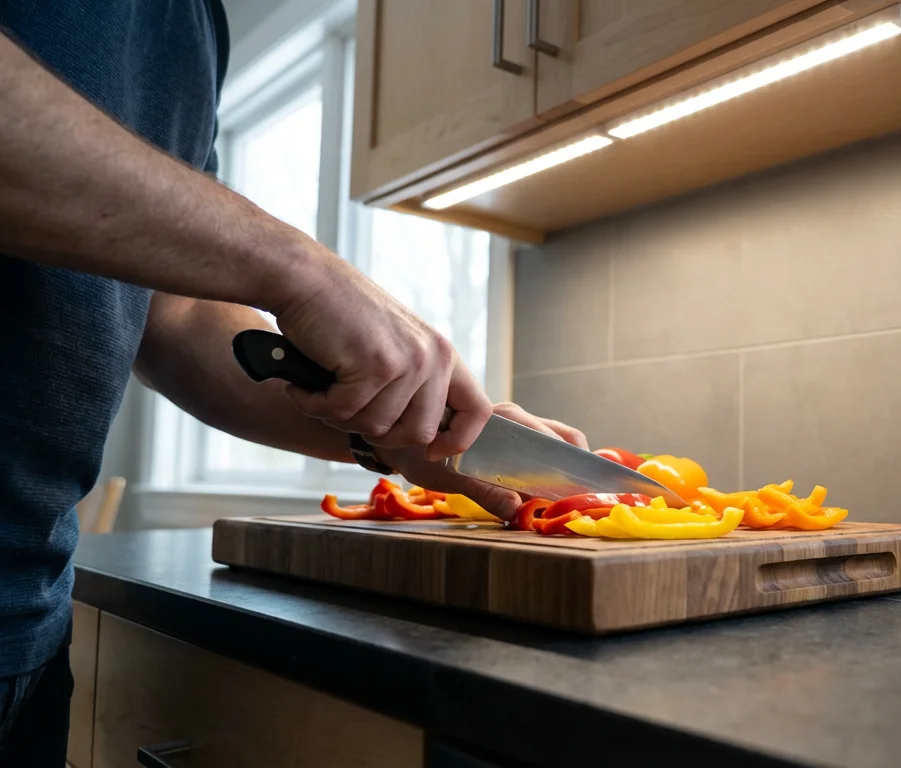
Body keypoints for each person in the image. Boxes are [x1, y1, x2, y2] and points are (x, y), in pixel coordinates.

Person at [0, 3, 586, 764]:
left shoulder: (194, 22)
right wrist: (297, 269)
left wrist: (396, 430)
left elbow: (172, 314)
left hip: (28, 621)